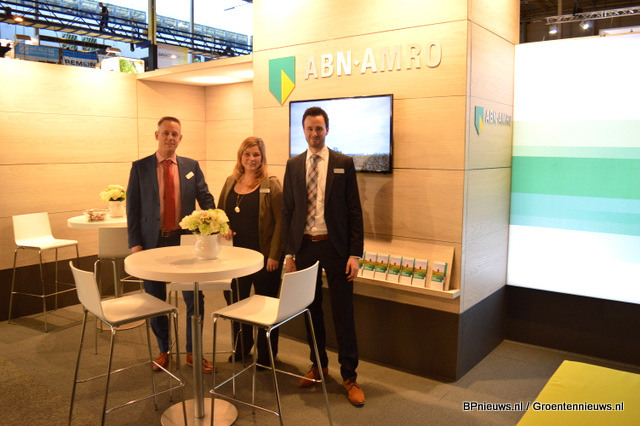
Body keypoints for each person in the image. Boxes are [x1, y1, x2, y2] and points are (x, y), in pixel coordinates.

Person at [282, 106, 365, 406]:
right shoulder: (293, 165)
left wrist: (355, 254)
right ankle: (318, 365)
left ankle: (349, 376)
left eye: (319, 128)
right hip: (305, 247)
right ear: (303, 131)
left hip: (336, 247)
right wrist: (289, 253)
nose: (314, 133)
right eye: (309, 128)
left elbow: (354, 211)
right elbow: (288, 212)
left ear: (327, 130)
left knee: (343, 313)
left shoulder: (343, 163)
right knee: (311, 310)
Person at [127, 116, 215, 373]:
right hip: (152, 242)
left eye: (175, 134)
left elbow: (205, 198)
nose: (170, 138)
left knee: (194, 298)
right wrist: (135, 244)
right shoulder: (140, 167)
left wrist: (216, 223)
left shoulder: (191, 166)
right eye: (165, 133)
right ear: (157, 135)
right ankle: (163, 350)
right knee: (155, 300)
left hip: (184, 242)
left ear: (180, 138)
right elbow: (132, 208)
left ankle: (193, 352)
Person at [218, 137, 283, 366]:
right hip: (236, 259)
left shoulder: (271, 184)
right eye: (247, 154)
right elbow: (220, 214)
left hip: (265, 258)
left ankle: (266, 354)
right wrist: (224, 227)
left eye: (256, 154)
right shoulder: (230, 181)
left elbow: (281, 222)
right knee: (237, 303)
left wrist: (274, 255)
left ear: (262, 157)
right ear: (241, 156)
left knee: (266, 306)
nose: (252, 159)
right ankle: (242, 347)